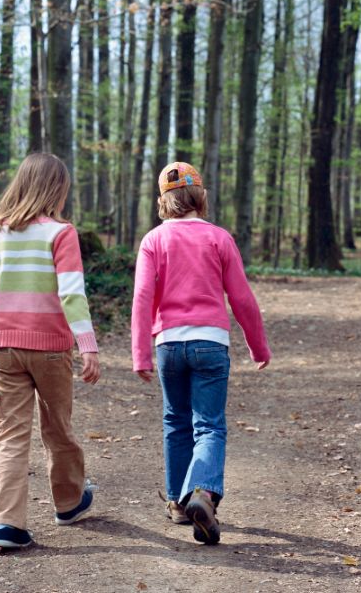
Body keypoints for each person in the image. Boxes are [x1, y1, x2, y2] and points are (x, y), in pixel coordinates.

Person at [0, 153, 102, 549]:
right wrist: (87, 345)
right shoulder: (61, 233)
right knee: (57, 428)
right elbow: (72, 294)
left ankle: (7, 525)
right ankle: (68, 503)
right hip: (50, 348)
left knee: (9, 435)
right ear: (56, 190)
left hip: (3, 347)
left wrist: (7, 293)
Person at [131, 161, 271, 545]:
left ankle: (179, 503)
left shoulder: (153, 240)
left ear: (164, 202)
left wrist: (139, 352)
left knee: (175, 421)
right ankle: (203, 493)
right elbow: (241, 297)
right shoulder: (219, 238)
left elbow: (143, 297)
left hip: (168, 344)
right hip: (210, 342)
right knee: (208, 424)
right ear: (200, 197)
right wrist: (258, 345)